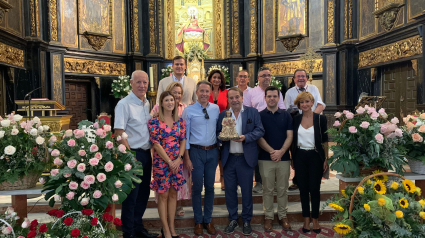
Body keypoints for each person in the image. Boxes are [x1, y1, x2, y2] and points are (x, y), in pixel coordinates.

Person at [114, 70, 158, 238]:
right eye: (138, 82)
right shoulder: (124, 104)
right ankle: (129, 232)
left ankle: (138, 227)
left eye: (145, 82)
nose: (142, 85)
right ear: (131, 83)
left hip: (146, 154)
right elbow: (119, 132)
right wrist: (129, 156)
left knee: (143, 194)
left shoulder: (147, 103)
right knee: (131, 196)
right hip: (132, 154)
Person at [217, 87, 264, 236]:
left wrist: (246, 137)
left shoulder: (252, 112)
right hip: (229, 158)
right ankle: (233, 219)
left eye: (237, 97)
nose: (234, 100)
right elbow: (218, 133)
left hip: (245, 158)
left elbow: (259, 130)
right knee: (230, 191)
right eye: (231, 98)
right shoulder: (223, 115)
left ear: (242, 98)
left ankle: (247, 220)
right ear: (228, 100)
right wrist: (223, 136)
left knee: (246, 192)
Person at [182, 80, 220, 236]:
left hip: (212, 152)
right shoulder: (189, 110)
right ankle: (198, 221)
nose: (204, 94)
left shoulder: (216, 109)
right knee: (197, 187)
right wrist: (187, 158)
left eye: (207, 91)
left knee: (210, 187)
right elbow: (185, 135)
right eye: (202, 91)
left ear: (210, 93)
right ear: (196, 92)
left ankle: (208, 220)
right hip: (196, 152)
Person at [148, 91, 187, 238]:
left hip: (177, 162)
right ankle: (165, 229)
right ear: (161, 103)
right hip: (162, 163)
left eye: (172, 100)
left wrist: (179, 158)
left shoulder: (180, 121)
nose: (170, 102)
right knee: (163, 196)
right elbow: (156, 144)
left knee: (173, 195)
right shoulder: (154, 121)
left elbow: (183, 140)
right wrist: (169, 161)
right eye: (167, 100)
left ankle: (171, 227)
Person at [243, 66, 286, 194]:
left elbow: (282, 109)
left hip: (273, 126)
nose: (266, 78)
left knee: (274, 151)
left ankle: (276, 181)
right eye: (263, 75)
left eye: (268, 75)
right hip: (256, 127)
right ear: (258, 78)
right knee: (258, 154)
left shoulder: (276, 92)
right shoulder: (250, 93)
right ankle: (259, 182)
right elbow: (246, 111)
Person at [257, 86, 293, 232]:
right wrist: (273, 151)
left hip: (284, 159)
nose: (272, 98)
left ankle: (283, 216)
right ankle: (269, 217)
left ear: (279, 98)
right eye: (269, 96)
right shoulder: (259, 115)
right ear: (264, 98)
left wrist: (281, 152)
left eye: (274, 96)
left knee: (283, 189)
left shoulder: (286, 115)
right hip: (265, 158)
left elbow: (290, 136)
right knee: (268, 189)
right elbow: (258, 137)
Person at [291, 92, 328, 234]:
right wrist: (293, 158)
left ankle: (315, 219)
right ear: (299, 105)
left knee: (315, 188)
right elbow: (292, 140)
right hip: (300, 155)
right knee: (303, 189)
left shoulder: (320, 119)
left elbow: (325, 140)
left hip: (315, 156)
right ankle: (306, 218)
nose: (304, 104)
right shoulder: (295, 119)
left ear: (312, 102)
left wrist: (325, 158)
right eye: (301, 102)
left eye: (307, 101)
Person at [284, 69, 325, 191]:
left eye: (303, 76)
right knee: (297, 151)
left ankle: (314, 179)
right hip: (297, 125)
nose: (301, 78)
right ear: (294, 79)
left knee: (314, 149)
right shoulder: (290, 92)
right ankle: (297, 181)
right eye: (298, 76)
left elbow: (320, 105)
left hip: (312, 123)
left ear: (306, 78)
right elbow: (286, 109)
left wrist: (311, 117)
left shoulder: (313, 89)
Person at [207, 69, 228, 190]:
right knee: (212, 153)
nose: (216, 80)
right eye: (214, 77)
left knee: (222, 153)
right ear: (210, 79)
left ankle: (223, 178)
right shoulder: (205, 91)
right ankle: (210, 179)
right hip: (208, 126)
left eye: (219, 78)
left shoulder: (225, 92)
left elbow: (228, 109)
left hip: (223, 126)